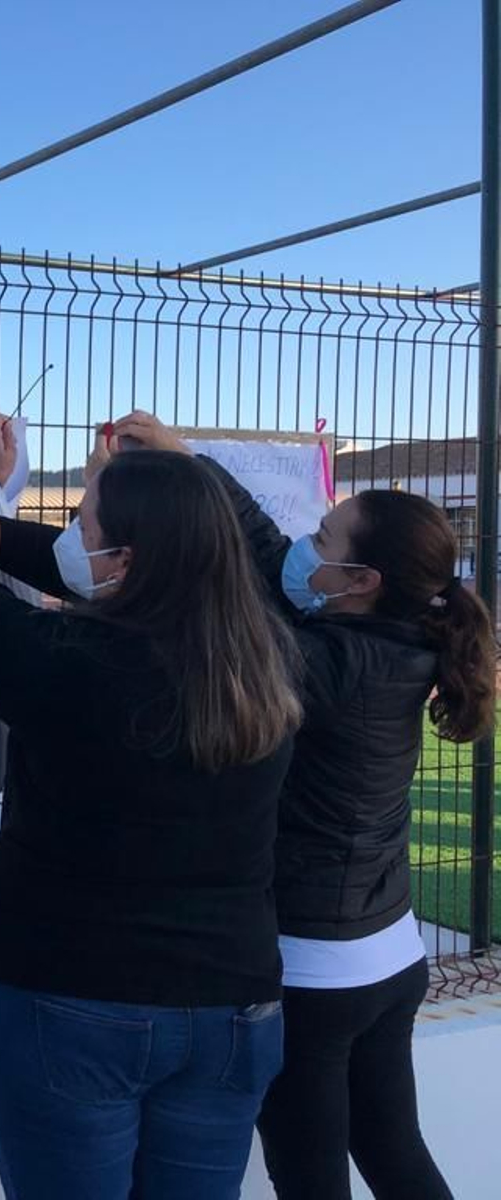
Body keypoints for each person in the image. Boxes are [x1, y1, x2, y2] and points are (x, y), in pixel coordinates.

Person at [0, 418, 302, 1200]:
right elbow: (88, 568)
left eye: (81, 518)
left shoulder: (70, 662)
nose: (70, 530)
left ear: (126, 560)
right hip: (231, 1009)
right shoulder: (270, 656)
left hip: (68, 998)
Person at [115, 410, 494, 1200]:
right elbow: (266, 554)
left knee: (311, 1178)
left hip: (316, 974)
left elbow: (233, 611)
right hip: (389, 954)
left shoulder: (323, 663)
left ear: (361, 583)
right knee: (396, 1155)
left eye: (323, 539)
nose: (303, 547)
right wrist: (190, 462)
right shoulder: (403, 639)